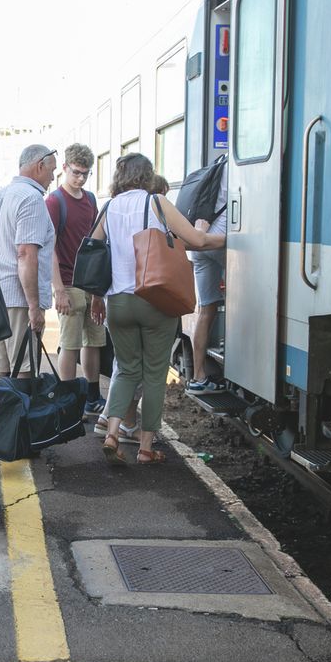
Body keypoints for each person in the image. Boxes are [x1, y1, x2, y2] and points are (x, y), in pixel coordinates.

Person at [89, 153, 216, 465]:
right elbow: (197, 240)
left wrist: (96, 297)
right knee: (155, 374)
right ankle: (146, 448)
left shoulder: (109, 208)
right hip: (154, 298)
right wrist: (235, 238)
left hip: (118, 303)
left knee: (127, 369)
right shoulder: (157, 203)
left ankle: (112, 432)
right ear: (147, 176)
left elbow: (93, 249)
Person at [0, 144, 57, 377]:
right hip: (19, 298)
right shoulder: (32, 199)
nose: (53, 177)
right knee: (24, 369)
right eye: (52, 170)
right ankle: (22, 415)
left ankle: (2, 415)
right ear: (40, 166)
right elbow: (25, 253)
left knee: (2, 371)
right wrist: (34, 307)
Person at [47, 143, 106, 416]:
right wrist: (58, 289)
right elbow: (49, 248)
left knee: (94, 341)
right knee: (69, 344)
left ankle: (93, 396)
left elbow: (97, 244)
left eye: (85, 173)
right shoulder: (54, 201)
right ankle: (69, 403)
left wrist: (98, 291)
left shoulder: (91, 200)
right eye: (76, 172)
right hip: (68, 282)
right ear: (64, 169)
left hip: (90, 282)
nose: (80, 178)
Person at [185, 161, 229, 396]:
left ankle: (198, 376)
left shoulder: (219, 164)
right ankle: (233, 358)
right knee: (240, 295)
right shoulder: (237, 165)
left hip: (198, 241)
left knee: (206, 308)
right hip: (217, 240)